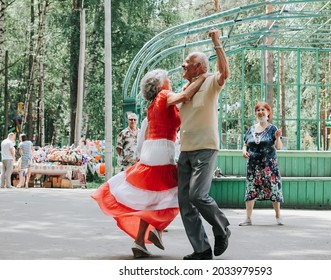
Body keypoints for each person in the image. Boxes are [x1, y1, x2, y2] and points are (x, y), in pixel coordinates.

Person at [91, 69, 206, 258]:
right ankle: (158, 228)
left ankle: (141, 241)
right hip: (163, 150)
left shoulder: (153, 103)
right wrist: (203, 77)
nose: (170, 80)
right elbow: (185, 95)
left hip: (151, 151)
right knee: (178, 193)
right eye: (167, 78)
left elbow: (180, 96)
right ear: (161, 84)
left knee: (152, 198)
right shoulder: (165, 95)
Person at [177, 27, 231, 260]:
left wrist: (216, 42)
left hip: (206, 148)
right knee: (185, 202)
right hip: (185, 150)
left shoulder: (210, 82)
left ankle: (222, 228)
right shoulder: (186, 89)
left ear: (199, 66)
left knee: (198, 195)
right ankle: (201, 249)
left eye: (187, 63)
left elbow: (225, 72)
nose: (183, 66)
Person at [240, 101, 284, 226]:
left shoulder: (273, 129)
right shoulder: (251, 129)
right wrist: (244, 152)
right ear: (255, 113)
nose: (260, 112)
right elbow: (245, 145)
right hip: (253, 166)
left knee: (274, 190)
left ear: (268, 112)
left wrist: (278, 137)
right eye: (258, 110)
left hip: (269, 166)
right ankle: (248, 218)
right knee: (250, 190)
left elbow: (279, 147)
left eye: (263, 110)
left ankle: (278, 216)